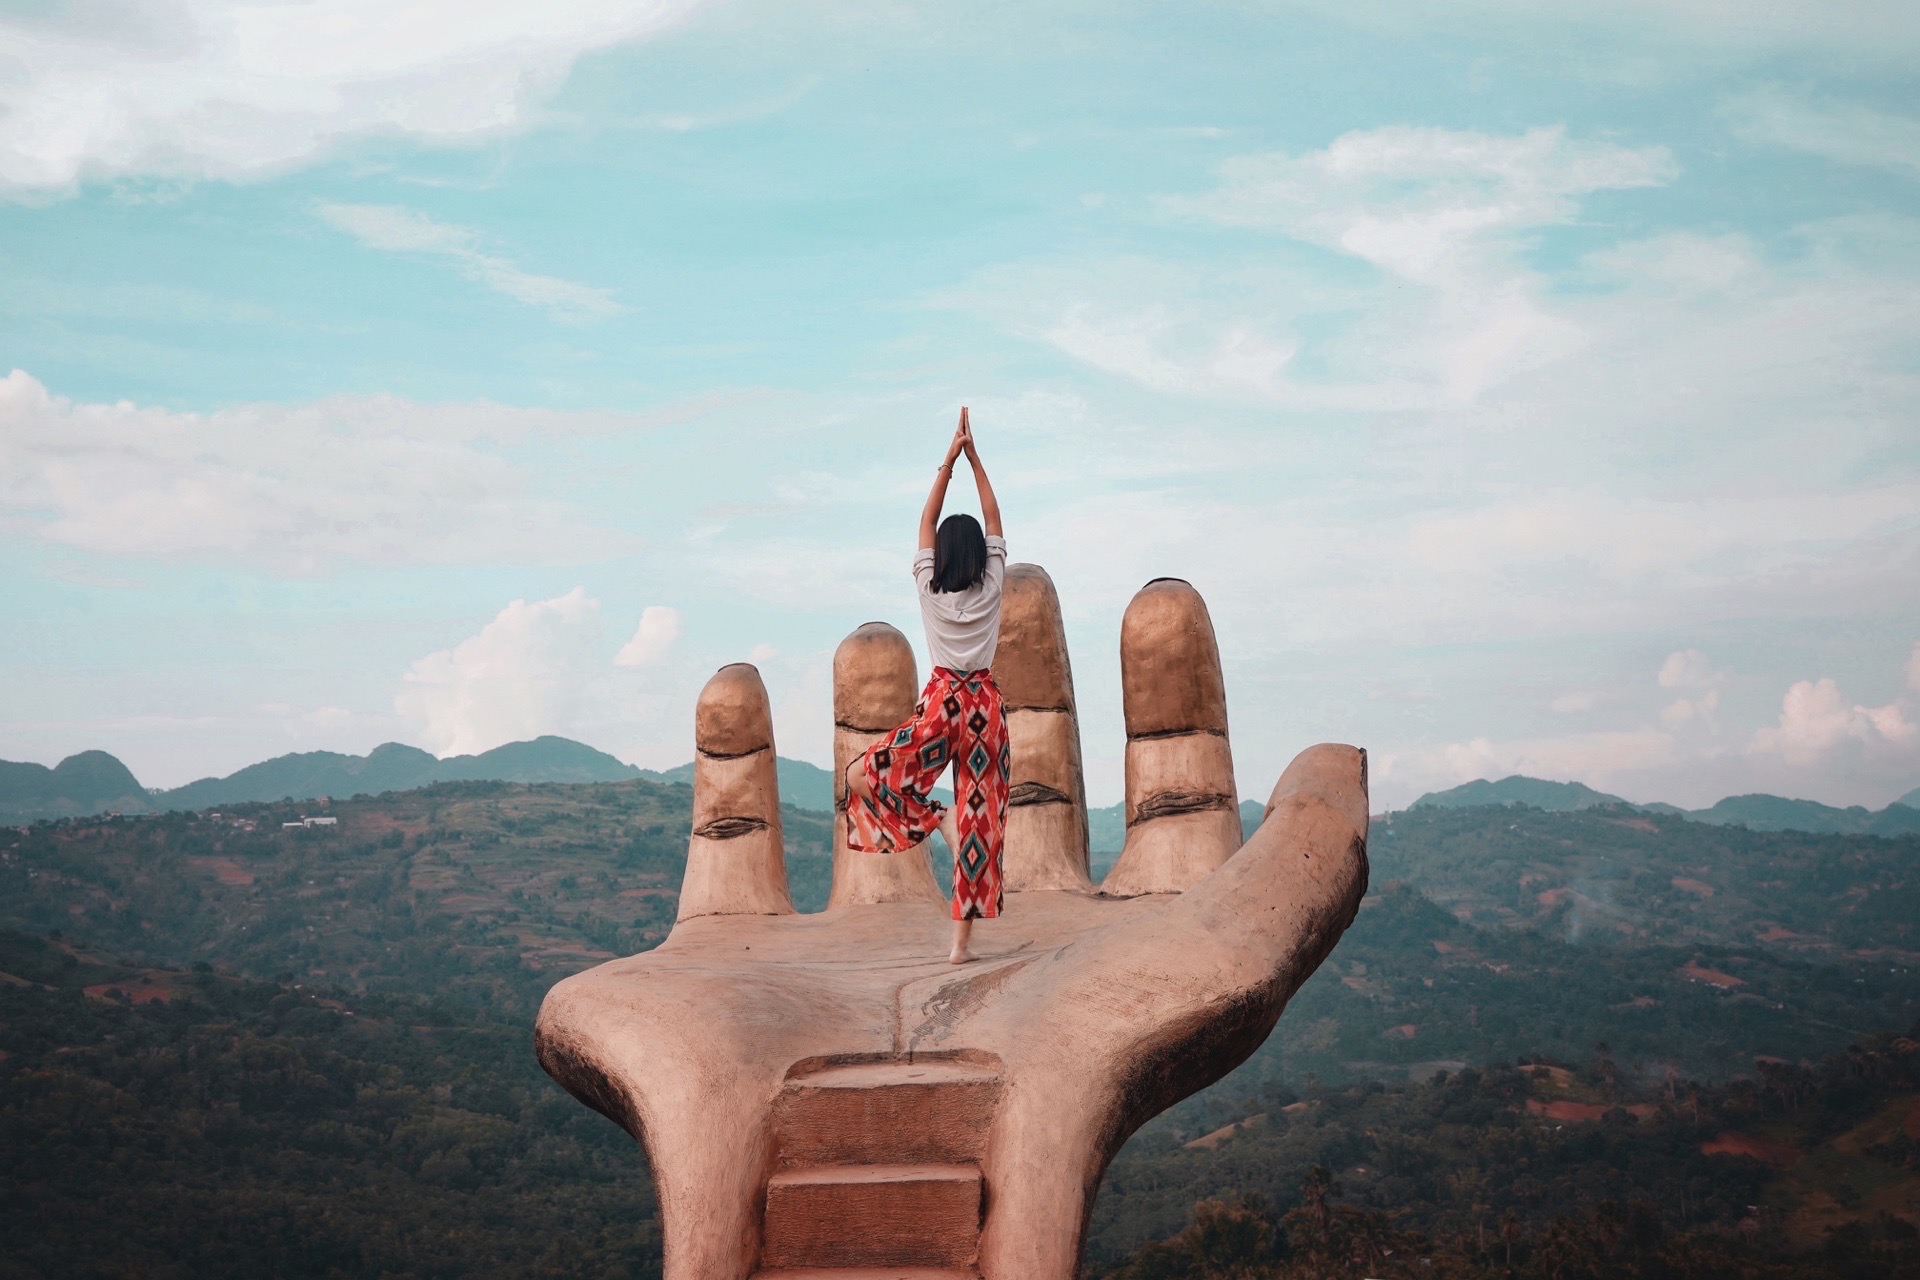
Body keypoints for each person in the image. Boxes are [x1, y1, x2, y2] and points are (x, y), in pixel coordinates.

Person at [845, 406, 1010, 964]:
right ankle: (960, 947)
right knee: (981, 824)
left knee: (859, 775)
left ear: (939, 554)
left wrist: (949, 459)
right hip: (985, 708)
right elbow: (994, 517)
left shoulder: (928, 588)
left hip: (943, 705)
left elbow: (925, 520)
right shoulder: (992, 585)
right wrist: (976, 457)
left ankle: (932, 817)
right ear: (981, 556)